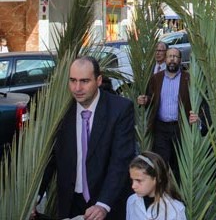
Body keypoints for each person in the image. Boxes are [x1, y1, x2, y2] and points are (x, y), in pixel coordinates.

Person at [39, 56, 135, 219]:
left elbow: (121, 160)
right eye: (73, 80)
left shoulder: (120, 109)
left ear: (98, 80)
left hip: (106, 204)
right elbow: (50, 157)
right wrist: (36, 196)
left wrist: (103, 204)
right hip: (70, 203)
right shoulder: (60, 112)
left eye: (84, 81)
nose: (77, 88)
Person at [137, 48, 194, 178]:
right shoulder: (156, 78)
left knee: (179, 165)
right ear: (165, 59)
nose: (172, 59)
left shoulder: (188, 79)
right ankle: (162, 193)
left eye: (175, 56)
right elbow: (151, 99)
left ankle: (178, 194)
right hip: (161, 128)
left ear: (180, 60)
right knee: (161, 164)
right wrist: (145, 100)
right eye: (169, 56)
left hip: (181, 129)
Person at [127, 151, 186, 220]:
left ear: (156, 178)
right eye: (132, 180)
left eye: (139, 181)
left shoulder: (176, 209)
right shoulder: (131, 201)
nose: (133, 186)